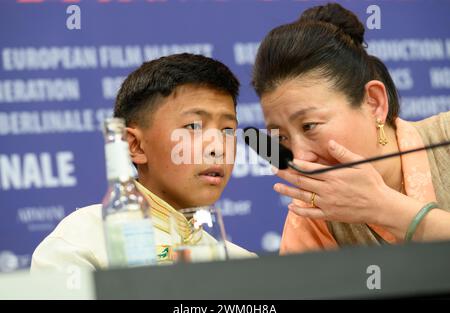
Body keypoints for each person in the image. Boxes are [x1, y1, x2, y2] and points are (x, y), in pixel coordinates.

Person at [251, 3, 450, 254]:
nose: (299, 158)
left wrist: (383, 208)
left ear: (374, 102)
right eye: (281, 137)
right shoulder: (314, 216)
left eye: (310, 126)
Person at [31, 53, 256, 272]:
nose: (218, 148)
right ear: (135, 146)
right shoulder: (81, 242)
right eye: (194, 127)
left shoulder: (243, 264)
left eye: (228, 130)